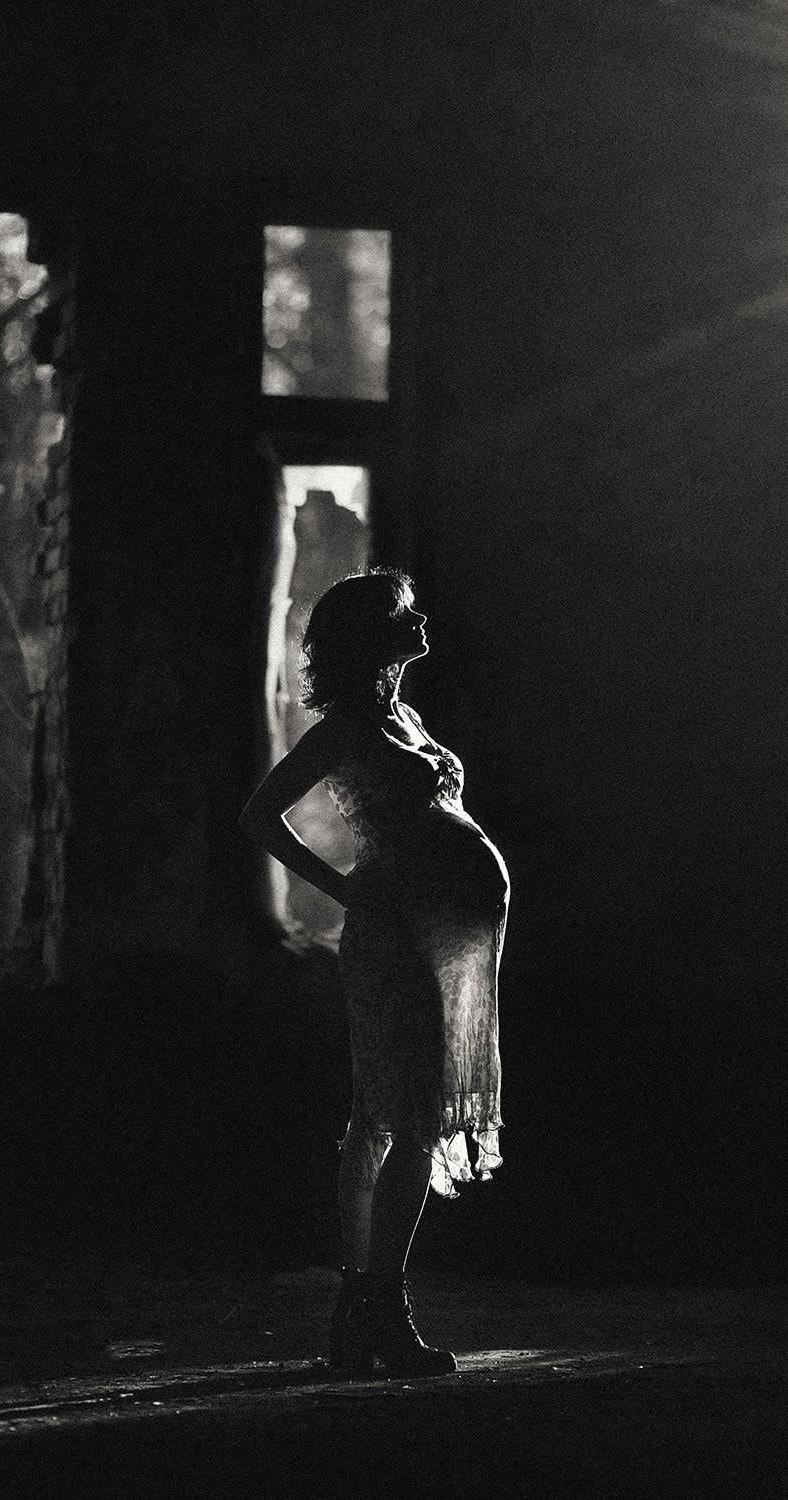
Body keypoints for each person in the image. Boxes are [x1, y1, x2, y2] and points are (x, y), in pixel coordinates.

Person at [239, 567, 509, 1378]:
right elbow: (260, 815)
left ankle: (360, 1317)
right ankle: (380, 1313)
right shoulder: (346, 730)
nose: (420, 619)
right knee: (402, 1118)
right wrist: (345, 889)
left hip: (437, 939)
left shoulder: (405, 718)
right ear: (369, 638)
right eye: (402, 613)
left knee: (394, 1116)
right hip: (394, 939)